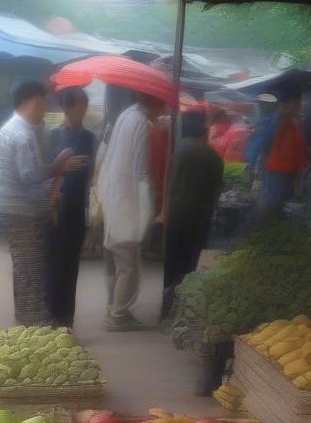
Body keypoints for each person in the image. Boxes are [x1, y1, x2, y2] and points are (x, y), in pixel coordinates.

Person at [0, 80, 83, 326]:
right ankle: (33, 325)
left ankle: (28, 321)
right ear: (32, 102)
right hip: (22, 212)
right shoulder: (21, 134)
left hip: (17, 210)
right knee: (31, 270)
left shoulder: (19, 129)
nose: (45, 109)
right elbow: (30, 177)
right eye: (44, 103)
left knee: (26, 269)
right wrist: (57, 169)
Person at [97, 93, 166, 332]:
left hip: (114, 196)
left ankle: (112, 307)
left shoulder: (125, 116)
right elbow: (141, 171)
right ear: (155, 102)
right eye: (162, 105)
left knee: (114, 259)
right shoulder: (138, 122)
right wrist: (150, 203)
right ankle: (118, 316)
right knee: (127, 264)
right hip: (127, 202)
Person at [162, 112, 223, 318]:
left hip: (176, 213)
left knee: (172, 262)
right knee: (191, 263)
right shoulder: (213, 157)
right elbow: (216, 190)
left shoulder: (178, 152)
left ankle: (166, 308)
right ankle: (186, 310)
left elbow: (168, 185)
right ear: (204, 132)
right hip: (199, 216)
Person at [45, 87, 95, 328]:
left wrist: (88, 205)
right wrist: (62, 167)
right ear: (66, 109)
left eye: (84, 110)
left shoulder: (88, 137)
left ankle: (67, 319)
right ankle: (52, 315)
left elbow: (89, 174)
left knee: (72, 263)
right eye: (78, 110)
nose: (81, 115)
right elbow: (43, 174)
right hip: (57, 205)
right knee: (55, 262)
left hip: (77, 206)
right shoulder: (52, 136)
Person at [248, 83, 307, 216]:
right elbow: (265, 144)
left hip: (287, 170)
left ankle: (268, 228)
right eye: (299, 101)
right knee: (270, 203)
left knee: (279, 203)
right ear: (292, 101)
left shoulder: (292, 120)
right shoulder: (276, 117)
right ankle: (260, 231)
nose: (300, 105)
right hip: (275, 169)